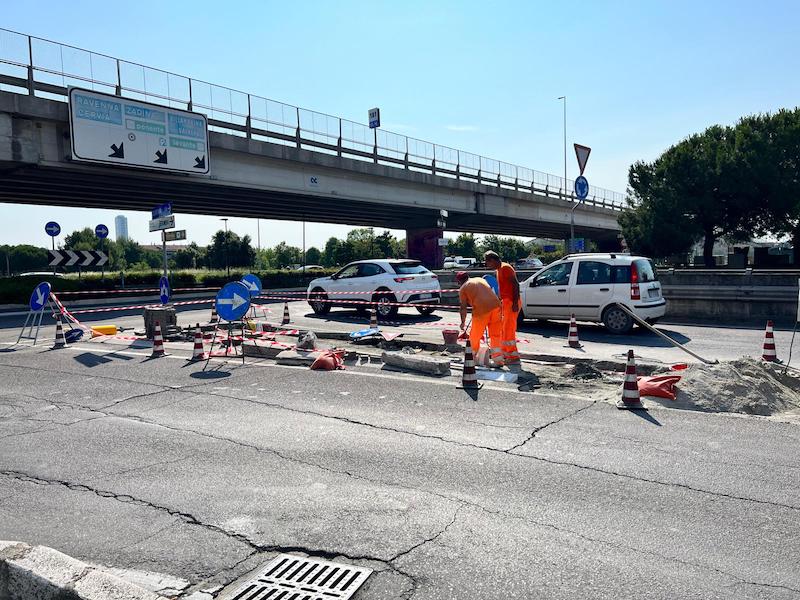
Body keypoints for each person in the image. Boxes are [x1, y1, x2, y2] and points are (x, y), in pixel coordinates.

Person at [456, 271, 504, 366]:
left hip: (481, 310)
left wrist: (462, 322)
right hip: (496, 307)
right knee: (495, 335)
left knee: (475, 335)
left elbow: (463, 308)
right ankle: (498, 360)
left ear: (459, 281)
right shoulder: (480, 279)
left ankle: (471, 358)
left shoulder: (463, 288)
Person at [483, 250, 521, 366]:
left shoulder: (505, 268)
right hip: (506, 301)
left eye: (487, 262)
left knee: (508, 330)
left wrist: (514, 302)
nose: (487, 265)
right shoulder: (499, 269)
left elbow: (515, 284)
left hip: (511, 301)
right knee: (505, 329)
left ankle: (513, 356)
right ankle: (507, 353)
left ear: (493, 260)